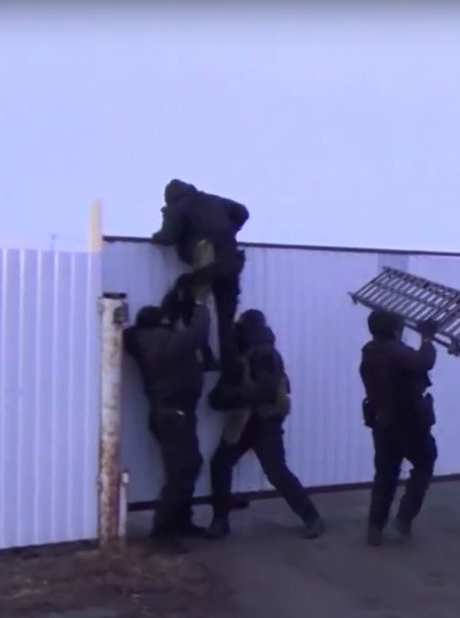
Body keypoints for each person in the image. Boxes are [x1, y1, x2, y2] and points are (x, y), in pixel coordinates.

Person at [205, 309, 325, 540]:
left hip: (263, 422)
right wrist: (228, 397)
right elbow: (222, 395)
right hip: (245, 422)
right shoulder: (248, 353)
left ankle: (312, 517)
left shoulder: (264, 353)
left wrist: (232, 397)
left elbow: (265, 391)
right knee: (222, 465)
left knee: (276, 472)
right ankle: (220, 520)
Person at [122, 292, 212, 548]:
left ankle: (181, 521)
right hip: (175, 415)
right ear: (161, 322)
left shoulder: (141, 341)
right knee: (182, 471)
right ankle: (163, 532)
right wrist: (201, 305)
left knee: (187, 467)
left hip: (170, 414)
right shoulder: (164, 341)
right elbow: (197, 332)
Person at [150, 178, 250, 375]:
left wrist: (156, 237)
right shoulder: (212, 200)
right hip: (230, 261)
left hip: (207, 264)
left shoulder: (177, 206)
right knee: (226, 319)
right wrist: (230, 230)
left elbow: (168, 237)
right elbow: (242, 212)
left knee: (195, 306)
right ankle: (230, 371)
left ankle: (205, 356)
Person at [359, 310, 441, 546]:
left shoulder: (369, 353)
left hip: (382, 422)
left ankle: (375, 526)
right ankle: (404, 518)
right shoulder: (396, 352)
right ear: (396, 330)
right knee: (424, 464)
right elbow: (425, 361)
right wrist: (427, 338)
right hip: (409, 422)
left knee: (385, 475)